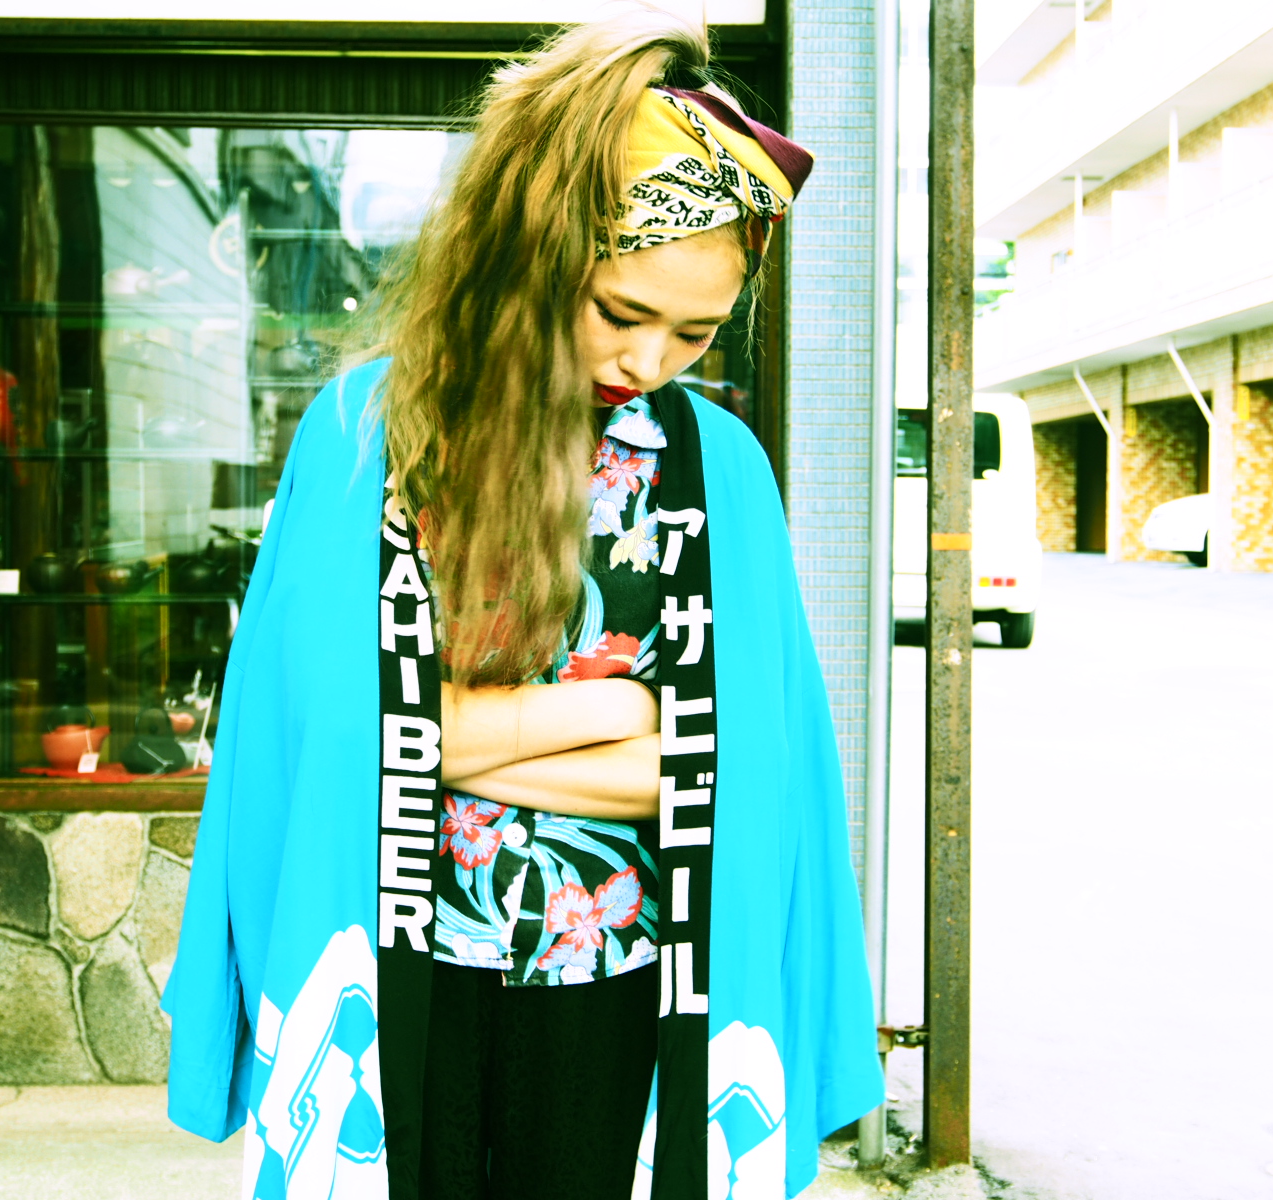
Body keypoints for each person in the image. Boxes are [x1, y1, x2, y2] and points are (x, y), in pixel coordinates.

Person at [162, 9, 884, 1200]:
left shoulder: (719, 468)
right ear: (536, 253)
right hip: (393, 984)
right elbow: (322, 741)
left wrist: (452, 733)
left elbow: (745, 775)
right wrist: (624, 718)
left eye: (694, 333)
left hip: (629, 990)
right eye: (621, 312)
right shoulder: (364, 435)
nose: (647, 362)